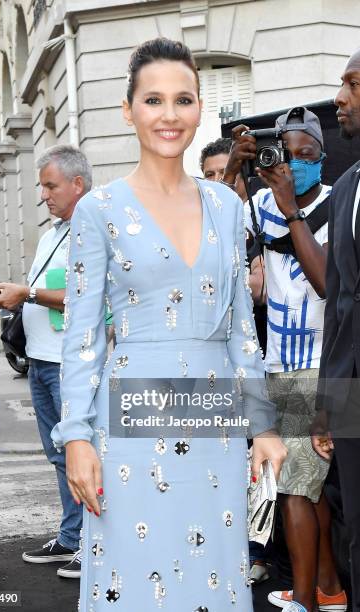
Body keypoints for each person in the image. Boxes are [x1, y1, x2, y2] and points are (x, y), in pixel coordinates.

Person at [51, 37, 286, 612]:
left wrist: (265, 425)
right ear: (128, 110)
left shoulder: (228, 207)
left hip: (214, 420)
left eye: (183, 100)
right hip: (131, 421)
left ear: (200, 108)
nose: (169, 115)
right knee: (135, 577)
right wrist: (77, 436)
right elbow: (81, 338)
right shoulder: (98, 210)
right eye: (153, 100)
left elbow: (240, 332)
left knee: (213, 575)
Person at [223, 108, 347, 612]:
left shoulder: (340, 204)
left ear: (323, 159)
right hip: (279, 363)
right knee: (306, 486)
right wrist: (234, 167)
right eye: (285, 155)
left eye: (306, 155)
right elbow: (213, 219)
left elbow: (326, 282)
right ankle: (329, 589)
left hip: (324, 365)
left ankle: (304, 600)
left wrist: (288, 203)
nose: (293, 164)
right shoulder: (260, 203)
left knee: (296, 488)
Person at [0, 145, 91, 579]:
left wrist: (26, 293)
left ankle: (94, 545)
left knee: (83, 453)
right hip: (43, 362)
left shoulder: (94, 230)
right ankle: (72, 535)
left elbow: (84, 298)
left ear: (77, 184)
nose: (44, 194)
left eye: (50, 185)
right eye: (42, 186)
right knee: (58, 454)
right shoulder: (54, 233)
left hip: (73, 365)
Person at [312, 48, 360, 612]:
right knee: (353, 526)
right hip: (350, 393)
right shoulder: (346, 185)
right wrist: (326, 402)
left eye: (352, 84)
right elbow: (340, 303)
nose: (340, 99)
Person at [200, 136, 248, 201]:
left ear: (245, 173)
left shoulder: (262, 205)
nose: (216, 180)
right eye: (210, 175)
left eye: (225, 172)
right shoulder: (199, 209)